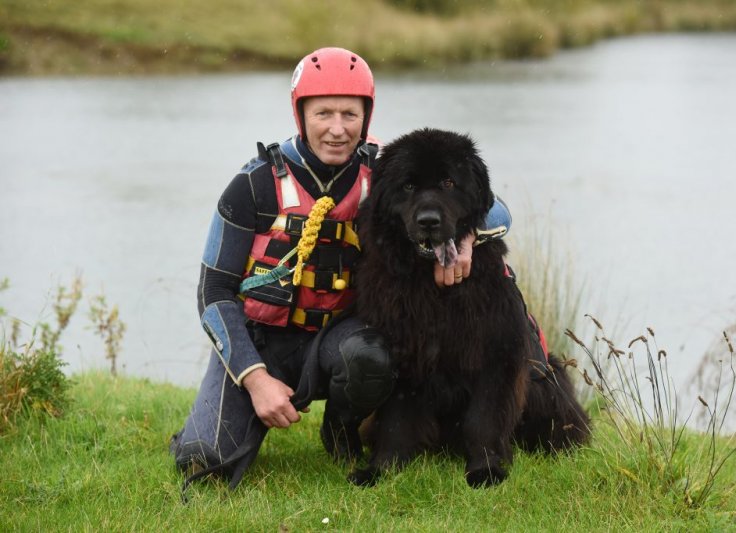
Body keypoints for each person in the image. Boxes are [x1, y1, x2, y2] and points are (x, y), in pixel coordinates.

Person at [169, 47, 512, 488]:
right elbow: (212, 291)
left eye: (350, 114)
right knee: (203, 461)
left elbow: (493, 207)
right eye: (323, 113)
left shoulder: (383, 169)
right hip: (260, 342)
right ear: (300, 115)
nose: (336, 129)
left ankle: (342, 425)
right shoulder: (251, 185)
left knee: (371, 355)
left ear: (366, 117)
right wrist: (255, 380)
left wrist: (466, 237)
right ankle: (205, 426)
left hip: (339, 338)